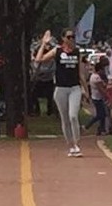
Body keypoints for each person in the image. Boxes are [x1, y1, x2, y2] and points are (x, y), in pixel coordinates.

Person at [34, 28, 86, 157]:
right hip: (61, 88)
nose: (71, 39)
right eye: (69, 37)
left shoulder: (77, 52)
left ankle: (77, 143)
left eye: (73, 37)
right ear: (63, 38)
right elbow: (39, 59)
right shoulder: (57, 51)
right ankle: (70, 145)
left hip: (74, 87)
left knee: (73, 115)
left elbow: (80, 73)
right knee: (65, 119)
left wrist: (86, 89)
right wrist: (43, 44)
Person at [82, 60, 109, 136]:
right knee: (100, 115)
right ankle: (87, 126)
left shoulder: (94, 76)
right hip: (98, 98)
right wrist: (107, 96)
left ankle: (102, 129)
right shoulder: (96, 77)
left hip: (96, 97)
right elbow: (101, 89)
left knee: (102, 114)